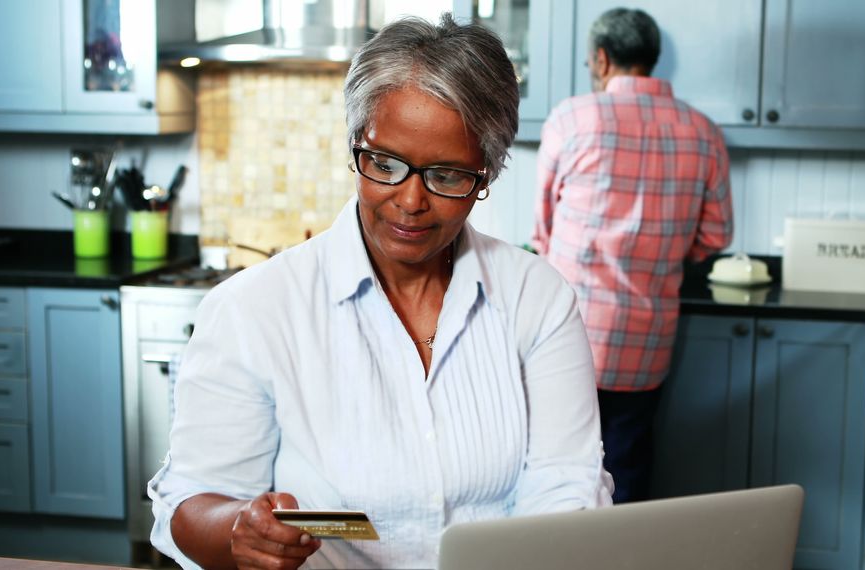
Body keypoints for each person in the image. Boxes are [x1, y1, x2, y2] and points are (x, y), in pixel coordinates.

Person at [149, 14, 612, 570]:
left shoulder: (537, 299)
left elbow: (567, 482)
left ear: (484, 174)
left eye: (446, 175)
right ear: (355, 147)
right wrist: (239, 531)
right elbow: (191, 501)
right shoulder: (253, 309)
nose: (411, 201)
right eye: (384, 164)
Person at [532, 7, 733, 504]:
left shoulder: (572, 118)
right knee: (628, 466)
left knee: (558, 470)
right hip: (647, 342)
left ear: (601, 59)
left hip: (567, 336)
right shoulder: (702, 130)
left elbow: (542, 231)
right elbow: (716, 236)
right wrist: (663, 253)